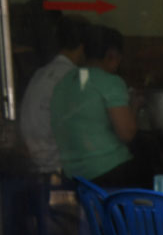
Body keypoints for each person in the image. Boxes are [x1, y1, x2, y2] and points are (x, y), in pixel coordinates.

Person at [49, 25, 143, 188]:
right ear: (112, 55)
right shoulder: (110, 82)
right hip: (107, 172)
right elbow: (127, 133)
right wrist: (134, 106)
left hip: (72, 174)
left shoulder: (64, 82)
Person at [19, 14, 88, 175]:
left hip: (35, 163)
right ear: (84, 46)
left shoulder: (41, 73)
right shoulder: (73, 77)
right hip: (56, 167)